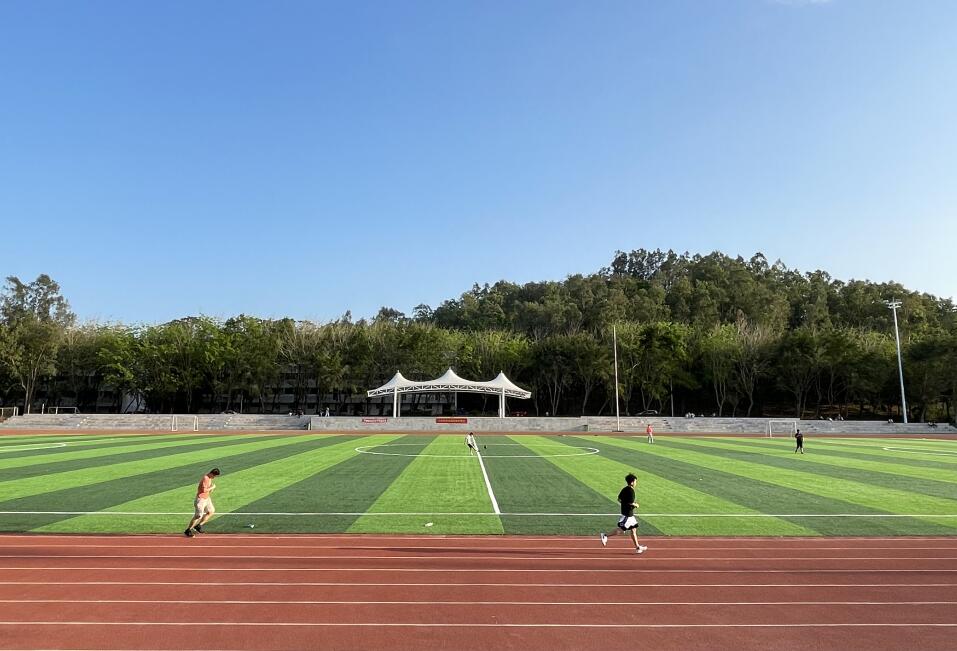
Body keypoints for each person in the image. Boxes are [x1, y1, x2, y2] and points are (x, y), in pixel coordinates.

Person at [599, 473, 647, 554]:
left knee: (633, 530)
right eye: (635, 481)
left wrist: (625, 504)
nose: (636, 483)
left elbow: (619, 499)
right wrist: (636, 505)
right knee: (621, 530)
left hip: (629, 515)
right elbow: (631, 503)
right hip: (627, 515)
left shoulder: (624, 489)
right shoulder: (631, 491)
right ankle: (605, 535)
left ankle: (638, 547)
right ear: (632, 482)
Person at [185, 468, 221, 537]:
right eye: (214, 476)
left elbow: (208, 491)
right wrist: (212, 487)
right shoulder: (205, 478)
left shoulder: (210, 478)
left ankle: (198, 526)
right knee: (198, 516)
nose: (214, 477)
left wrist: (211, 489)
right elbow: (204, 490)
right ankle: (188, 530)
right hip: (201, 499)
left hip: (207, 498)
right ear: (212, 473)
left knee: (211, 511)